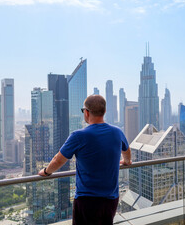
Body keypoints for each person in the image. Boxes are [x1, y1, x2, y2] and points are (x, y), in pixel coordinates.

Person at [38, 94, 132, 225]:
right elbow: (127, 151)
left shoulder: (78, 136)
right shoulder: (117, 132)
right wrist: (127, 162)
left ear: (86, 112)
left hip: (88, 200)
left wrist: (46, 172)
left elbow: (58, 160)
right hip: (111, 198)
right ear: (104, 111)